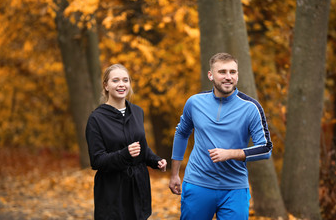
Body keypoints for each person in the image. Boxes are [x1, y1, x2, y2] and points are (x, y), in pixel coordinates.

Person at [169, 53, 273, 220]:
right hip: (197, 184)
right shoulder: (195, 103)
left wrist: (231, 153)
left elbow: (266, 149)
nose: (228, 77)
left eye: (233, 72)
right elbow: (181, 133)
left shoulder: (251, 107)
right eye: (222, 72)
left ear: (237, 75)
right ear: (211, 75)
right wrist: (174, 174)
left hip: (234, 189)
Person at [86, 64, 167, 220]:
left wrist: (155, 160)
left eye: (125, 80)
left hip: (138, 185)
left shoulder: (137, 112)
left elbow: (142, 146)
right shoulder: (96, 118)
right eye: (115, 80)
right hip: (112, 190)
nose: (121, 84)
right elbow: (96, 160)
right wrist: (124, 154)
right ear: (106, 85)